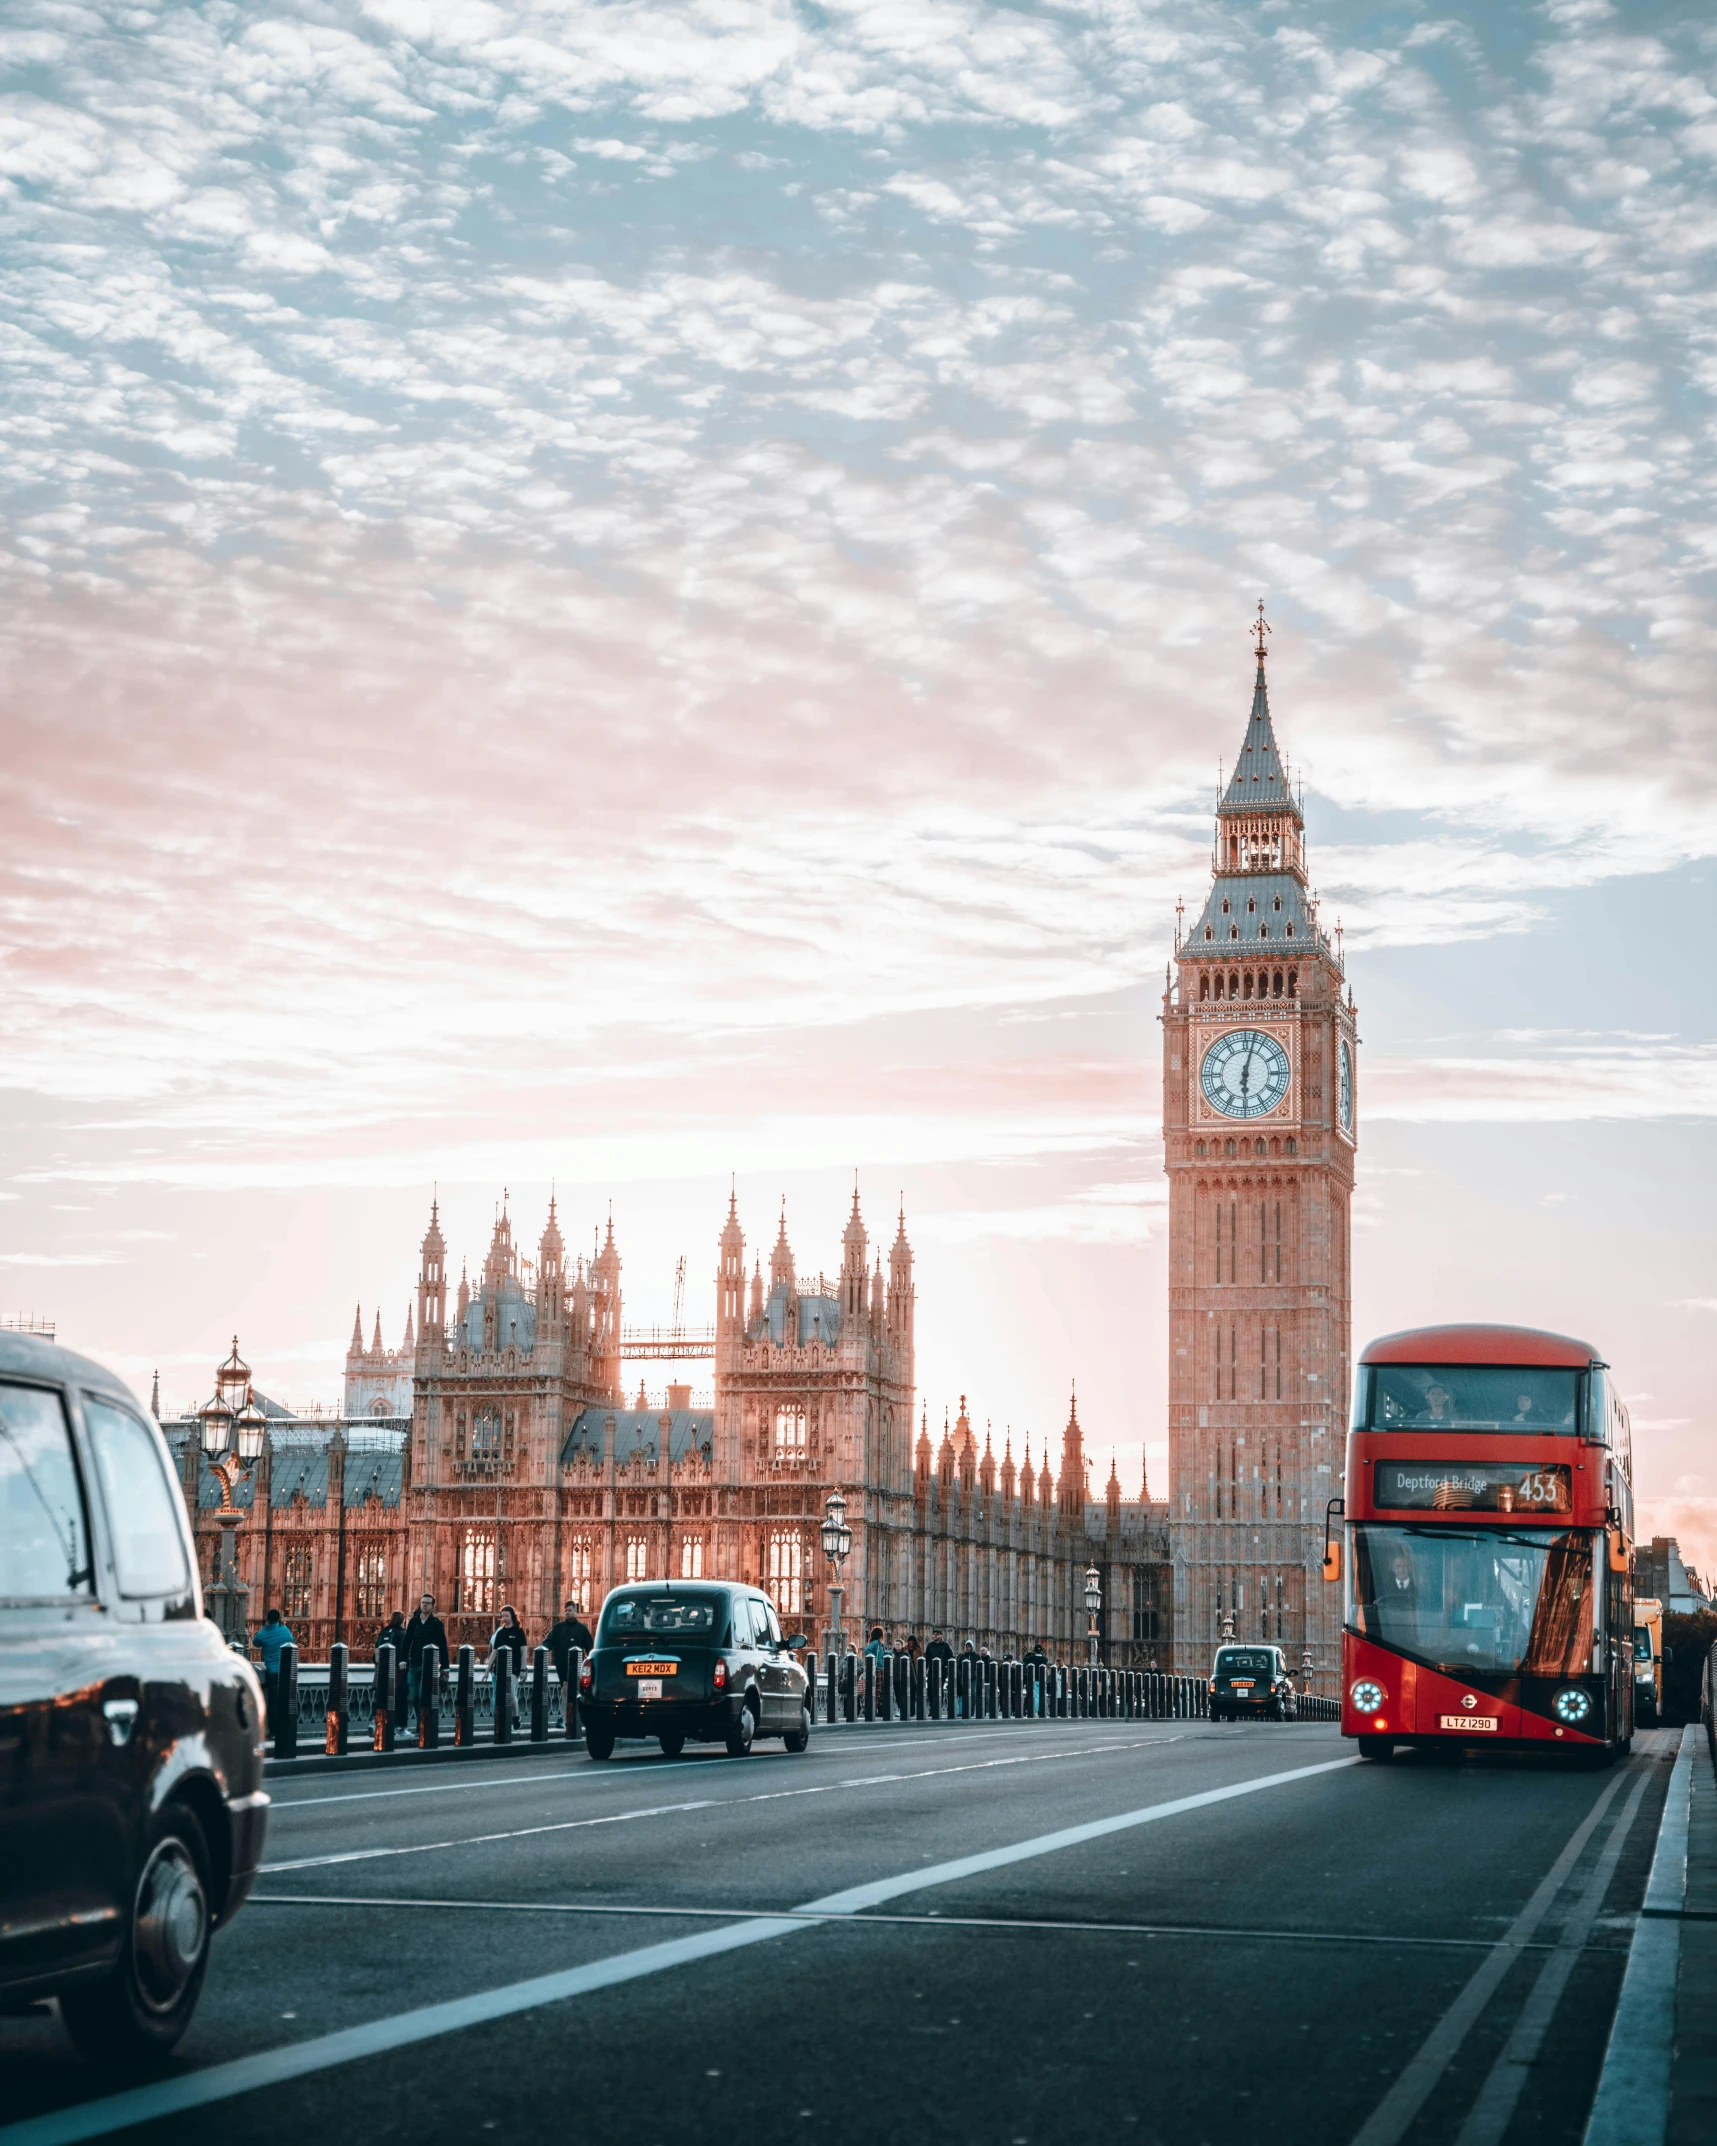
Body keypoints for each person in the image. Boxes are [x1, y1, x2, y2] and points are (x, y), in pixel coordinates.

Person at [404, 1591, 450, 1731]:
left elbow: (443, 1645)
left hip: (429, 1665)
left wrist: (445, 1667)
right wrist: (403, 1659)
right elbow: (407, 1642)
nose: (424, 1605)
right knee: (411, 1696)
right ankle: (413, 1722)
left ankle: (422, 1724)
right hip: (414, 1663)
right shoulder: (413, 1621)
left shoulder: (436, 1623)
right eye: (422, 1602)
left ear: (432, 1606)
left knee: (422, 1695)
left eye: (427, 1603)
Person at [253, 1608, 294, 1737]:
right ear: (278, 1619)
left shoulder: (264, 1633)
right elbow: (291, 1641)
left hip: (272, 1672)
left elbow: (255, 1642)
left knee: (273, 1703)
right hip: (286, 1671)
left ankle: (272, 1730)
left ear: (268, 1619)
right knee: (286, 1701)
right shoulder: (284, 1630)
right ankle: (285, 1728)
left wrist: (266, 1628)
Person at [544, 1598, 592, 1690]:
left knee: (575, 1690)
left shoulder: (582, 1628)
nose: (567, 1612)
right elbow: (548, 1642)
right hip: (561, 1665)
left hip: (576, 1666)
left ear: (575, 1611)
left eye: (569, 1610)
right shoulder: (558, 1627)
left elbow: (589, 1647)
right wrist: (542, 1650)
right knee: (564, 1688)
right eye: (566, 1611)